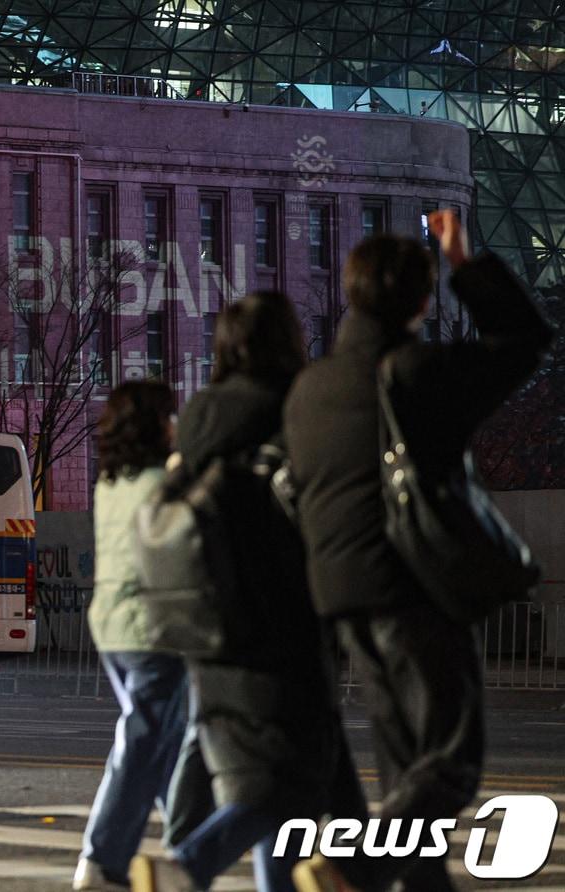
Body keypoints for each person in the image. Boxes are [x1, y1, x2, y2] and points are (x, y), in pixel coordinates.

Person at [284, 211, 553, 892]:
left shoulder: (310, 390)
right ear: (423, 299)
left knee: (408, 769)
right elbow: (525, 340)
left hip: (341, 594)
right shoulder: (418, 373)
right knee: (452, 760)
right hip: (414, 587)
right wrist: (464, 258)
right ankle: (354, 865)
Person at [125, 292, 366, 892]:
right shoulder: (295, 406)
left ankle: (340, 868)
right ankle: (188, 865)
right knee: (285, 786)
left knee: (280, 775)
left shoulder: (203, 411)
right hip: (284, 616)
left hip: (209, 617)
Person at [74, 380, 189, 892]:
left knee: (159, 739)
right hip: (151, 627)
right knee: (146, 740)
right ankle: (102, 860)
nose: (175, 423)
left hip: (113, 624)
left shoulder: (111, 482)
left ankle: (189, 846)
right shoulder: (162, 484)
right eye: (169, 415)